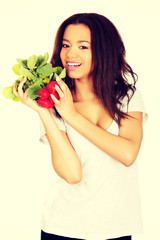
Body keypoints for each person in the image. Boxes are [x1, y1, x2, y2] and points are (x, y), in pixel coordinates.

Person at [13, 13, 148, 240]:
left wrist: (72, 116)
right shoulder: (54, 102)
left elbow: (127, 153)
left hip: (116, 228)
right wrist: (43, 111)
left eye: (83, 46)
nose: (70, 54)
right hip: (61, 227)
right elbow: (72, 174)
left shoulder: (127, 96)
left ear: (104, 50)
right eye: (65, 45)